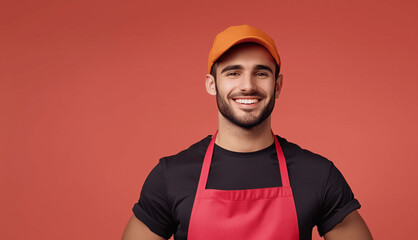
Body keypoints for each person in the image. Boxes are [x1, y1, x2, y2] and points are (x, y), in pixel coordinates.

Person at [122, 25, 373, 240]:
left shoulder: (317, 174)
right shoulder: (171, 176)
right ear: (212, 84)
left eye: (261, 73)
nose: (248, 86)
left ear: (278, 85)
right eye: (233, 73)